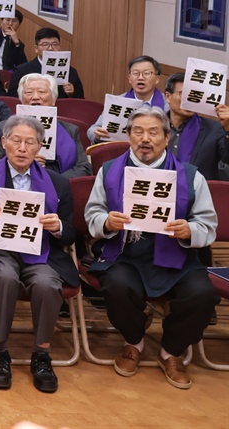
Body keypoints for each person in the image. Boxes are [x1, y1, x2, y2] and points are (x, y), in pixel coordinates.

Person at [85, 106, 220, 390]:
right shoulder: (109, 171)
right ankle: (133, 341)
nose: (145, 139)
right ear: (129, 136)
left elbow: (208, 225)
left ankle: (171, 351)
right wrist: (107, 222)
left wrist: (189, 230)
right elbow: (92, 214)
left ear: (167, 137)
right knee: (117, 286)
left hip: (178, 255)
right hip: (125, 253)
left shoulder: (191, 175)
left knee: (203, 294)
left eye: (153, 132)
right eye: (138, 131)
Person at [0, 116, 78, 393]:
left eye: (30, 142)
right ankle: (0, 352)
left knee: (47, 283)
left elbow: (73, 233)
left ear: (40, 147)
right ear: (3, 142)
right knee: (3, 277)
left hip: (41, 251)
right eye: (16, 140)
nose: (22, 148)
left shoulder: (58, 182)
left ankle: (42, 353)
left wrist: (58, 227)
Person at [0, 73, 90, 178]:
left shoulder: (70, 130)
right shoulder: (3, 128)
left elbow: (84, 168)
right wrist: (20, 164)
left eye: (42, 92)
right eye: (29, 92)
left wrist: (57, 183)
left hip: (59, 185)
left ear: (53, 101)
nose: (35, 97)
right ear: (21, 99)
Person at [162, 73, 229, 181]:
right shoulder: (155, 126)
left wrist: (228, 129)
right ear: (168, 96)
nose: (190, 99)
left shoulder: (214, 129)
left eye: (194, 94)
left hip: (197, 194)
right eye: (183, 94)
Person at [87, 55, 166, 144]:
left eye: (146, 73)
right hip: (122, 152)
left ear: (157, 79)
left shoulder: (168, 104)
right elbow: (92, 130)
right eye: (135, 73)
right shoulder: (117, 102)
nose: (140, 77)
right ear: (129, 78)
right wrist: (97, 135)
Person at [7, 28, 83, 98]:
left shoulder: (71, 72)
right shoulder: (22, 71)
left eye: (55, 44)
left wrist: (72, 93)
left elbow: (80, 101)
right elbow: (12, 98)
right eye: (45, 45)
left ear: (60, 47)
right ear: (36, 49)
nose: (50, 48)